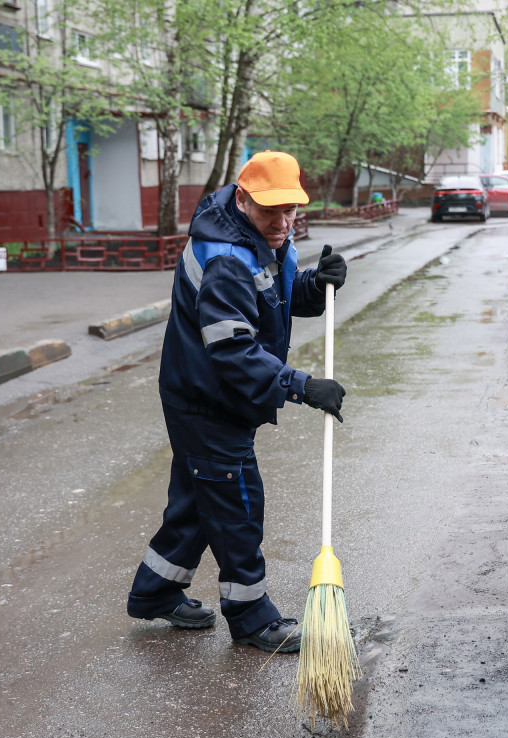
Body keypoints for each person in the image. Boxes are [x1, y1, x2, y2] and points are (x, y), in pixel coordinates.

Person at [126, 151, 348, 653]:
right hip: (208, 400)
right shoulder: (226, 257)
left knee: (199, 499)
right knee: (238, 505)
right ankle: (251, 617)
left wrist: (317, 285)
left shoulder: (259, 236)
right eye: (272, 211)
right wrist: (301, 385)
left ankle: (155, 592)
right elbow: (232, 349)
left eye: (291, 209)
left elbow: (276, 295)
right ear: (243, 199)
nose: (284, 221)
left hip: (204, 393)